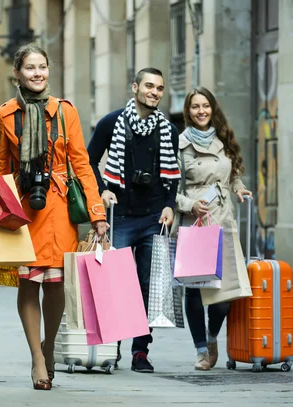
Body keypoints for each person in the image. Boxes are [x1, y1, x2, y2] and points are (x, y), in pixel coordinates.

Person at [0, 44, 108, 390]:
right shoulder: (5, 115)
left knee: (57, 283)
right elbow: (2, 167)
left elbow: (83, 165)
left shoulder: (65, 111)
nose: (37, 73)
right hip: (25, 207)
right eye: (30, 68)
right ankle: (37, 358)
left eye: (42, 67)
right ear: (18, 73)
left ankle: (49, 343)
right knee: (28, 281)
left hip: (59, 206)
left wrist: (97, 213)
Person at [87, 68, 180, 373]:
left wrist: (169, 206)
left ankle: (140, 350)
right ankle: (111, 346)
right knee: (116, 284)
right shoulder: (111, 122)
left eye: (160, 88)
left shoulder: (168, 129)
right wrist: (102, 191)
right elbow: (87, 161)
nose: (155, 92)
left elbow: (173, 176)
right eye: (149, 86)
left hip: (154, 216)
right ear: (135, 87)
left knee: (147, 284)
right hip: (121, 216)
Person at [172, 87, 252, 370]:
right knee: (194, 291)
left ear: (212, 108)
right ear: (188, 111)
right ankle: (201, 351)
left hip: (222, 220)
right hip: (195, 221)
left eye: (205, 105)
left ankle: (212, 335)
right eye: (195, 107)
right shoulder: (178, 143)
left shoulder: (224, 138)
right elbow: (170, 190)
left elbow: (233, 177)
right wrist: (189, 205)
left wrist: (240, 189)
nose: (201, 111)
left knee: (224, 294)